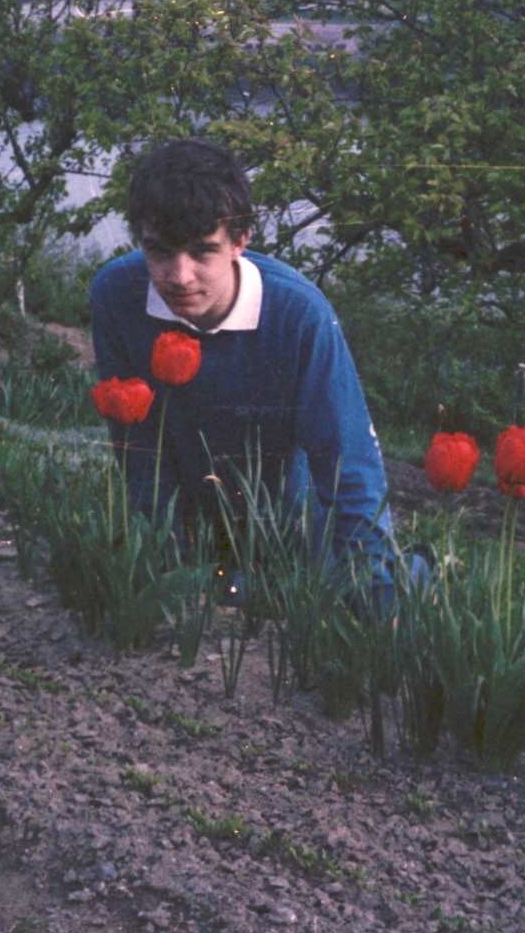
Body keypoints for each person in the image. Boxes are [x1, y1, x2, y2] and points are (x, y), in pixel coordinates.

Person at [89, 138, 415, 610]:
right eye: (158, 251)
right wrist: (167, 565)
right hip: (196, 529)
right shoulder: (116, 294)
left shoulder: (298, 313)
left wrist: (378, 605)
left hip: (289, 529)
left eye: (203, 252)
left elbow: (349, 465)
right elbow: (137, 451)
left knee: (337, 599)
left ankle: (414, 572)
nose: (179, 276)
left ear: (240, 241)